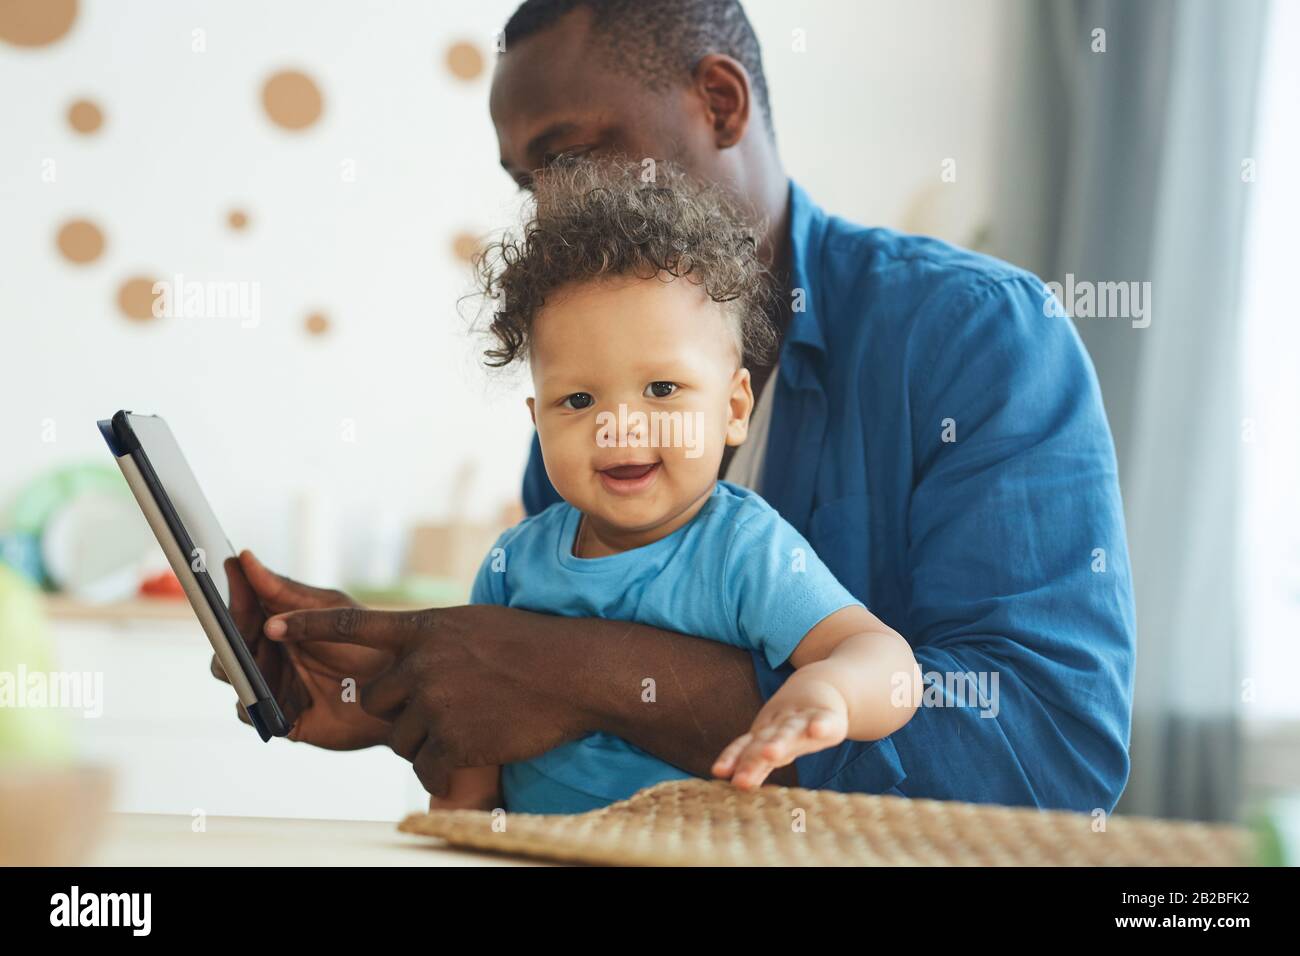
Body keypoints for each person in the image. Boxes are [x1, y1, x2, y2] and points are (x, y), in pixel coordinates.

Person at [217, 0, 1135, 812]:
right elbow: (553, 716)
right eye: (523, 183)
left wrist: (574, 672)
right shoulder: (584, 426)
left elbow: (1048, 749)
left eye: (569, 158)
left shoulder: (972, 337)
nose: (547, 211)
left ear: (722, 103)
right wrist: (400, 690)